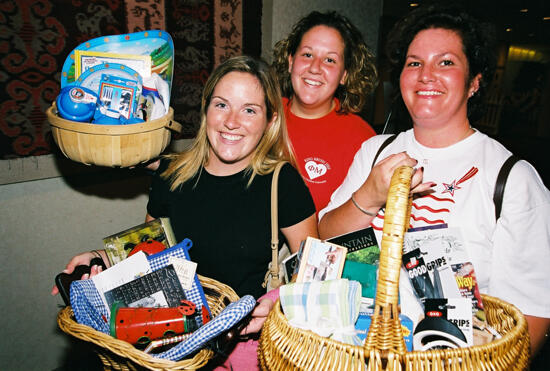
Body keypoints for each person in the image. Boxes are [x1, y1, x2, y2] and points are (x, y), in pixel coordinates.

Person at [52, 55, 318, 369]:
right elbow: (150, 256)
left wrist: (277, 308)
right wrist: (102, 257)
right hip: (171, 350)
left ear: (271, 120)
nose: (231, 121)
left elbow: (317, 275)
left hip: (244, 354)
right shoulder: (170, 175)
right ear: (206, 110)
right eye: (221, 105)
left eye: (249, 110)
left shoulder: (281, 183)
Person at [318, 4, 550, 357]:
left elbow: (531, 314)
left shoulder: (512, 178)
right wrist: (370, 194)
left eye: (446, 62)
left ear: (475, 82)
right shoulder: (375, 151)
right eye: (414, 63)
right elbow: (327, 238)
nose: (426, 74)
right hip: (355, 352)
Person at [271, 10, 378, 213]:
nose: (314, 68)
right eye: (307, 55)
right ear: (291, 61)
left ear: (345, 75)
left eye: (329, 60)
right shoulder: (262, 116)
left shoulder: (363, 140)